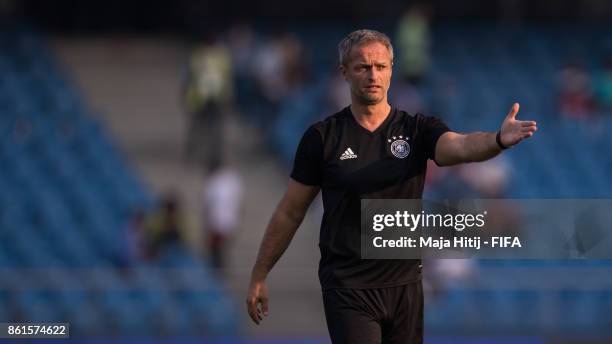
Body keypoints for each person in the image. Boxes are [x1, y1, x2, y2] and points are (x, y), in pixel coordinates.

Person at [246, 29, 537, 344]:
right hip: (349, 287)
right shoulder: (322, 138)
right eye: (363, 67)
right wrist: (260, 273)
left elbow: (463, 146)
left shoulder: (417, 130)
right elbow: (290, 211)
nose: (373, 75)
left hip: (406, 289)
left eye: (381, 67)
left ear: (391, 71)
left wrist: (497, 140)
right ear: (345, 72)